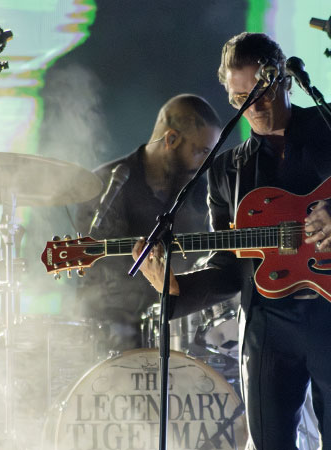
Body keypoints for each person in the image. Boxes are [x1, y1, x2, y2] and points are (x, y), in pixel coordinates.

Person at [134, 33, 331, 449]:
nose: (254, 106)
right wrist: (177, 287)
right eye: (241, 96)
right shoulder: (227, 172)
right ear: (228, 93)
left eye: (263, 91)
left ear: (285, 81)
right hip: (268, 327)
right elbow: (228, 264)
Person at [71, 94, 222, 351]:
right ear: (171, 139)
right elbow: (98, 283)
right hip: (116, 338)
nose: (204, 165)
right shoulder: (106, 187)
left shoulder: (203, 192)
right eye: (200, 152)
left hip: (185, 334)